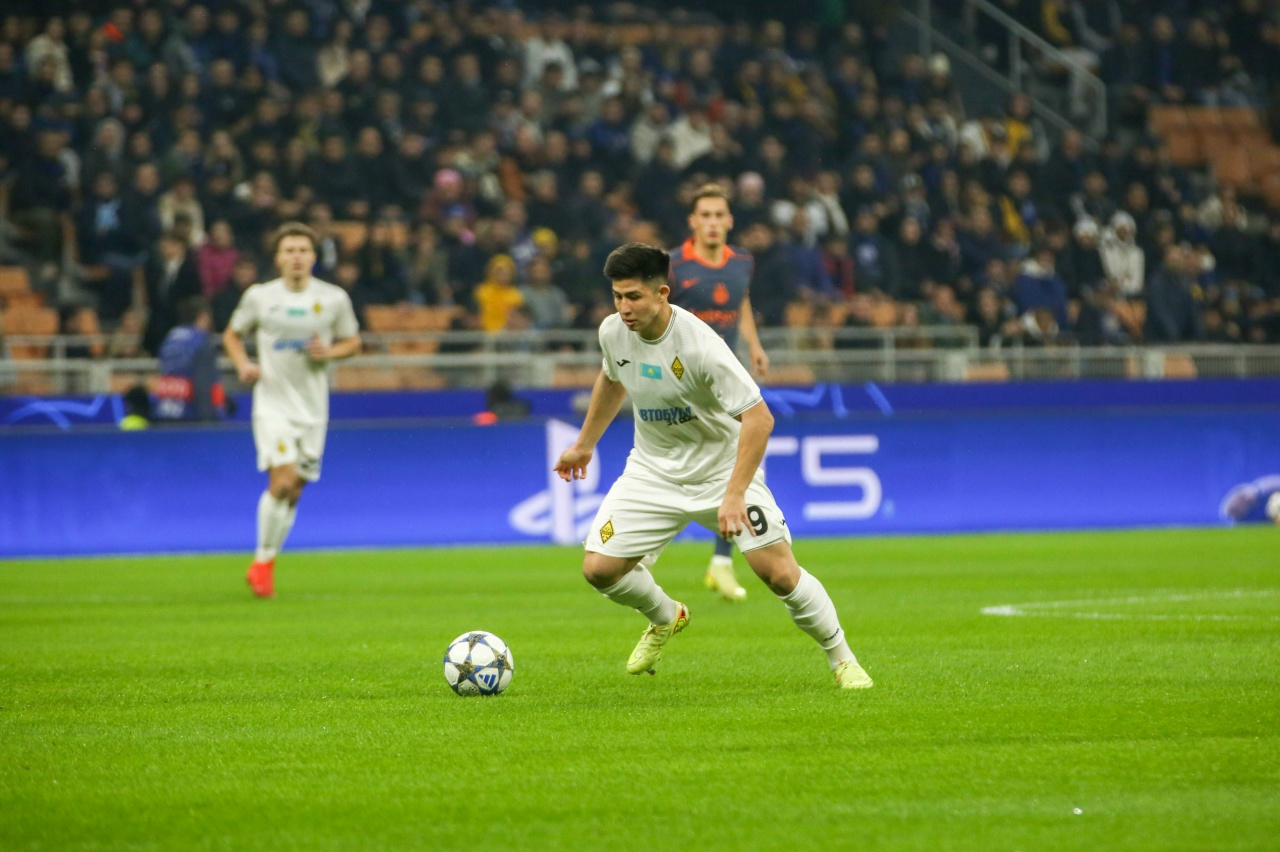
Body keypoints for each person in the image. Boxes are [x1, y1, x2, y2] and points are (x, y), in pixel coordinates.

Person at [554, 243, 873, 690]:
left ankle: (843, 660)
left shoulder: (701, 345)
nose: (624, 308)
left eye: (634, 297)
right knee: (599, 569)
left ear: (662, 293)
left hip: (722, 471)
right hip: (652, 471)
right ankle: (666, 616)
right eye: (618, 297)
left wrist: (735, 493)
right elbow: (611, 379)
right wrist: (584, 445)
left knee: (779, 574)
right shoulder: (613, 332)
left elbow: (759, 419)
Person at [222, 222, 361, 598]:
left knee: (295, 490)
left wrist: (329, 352)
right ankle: (262, 563)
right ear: (278, 258)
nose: (296, 256)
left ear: (314, 257)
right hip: (273, 404)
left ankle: (266, 560)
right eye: (290, 250)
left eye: (303, 250)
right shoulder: (260, 297)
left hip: (313, 408)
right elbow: (232, 334)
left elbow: (353, 342)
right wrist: (243, 364)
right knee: (282, 482)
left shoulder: (333, 298)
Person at [666, 183, 770, 603]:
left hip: (725, 380)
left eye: (718, 215)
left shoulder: (742, 261)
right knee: (679, 468)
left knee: (742, 467)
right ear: (693, 222)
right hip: (681, 383)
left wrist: (754, 344)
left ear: (729, 220)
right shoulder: (672, 265)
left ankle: (721, 562)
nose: (712, 222)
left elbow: (741, 301)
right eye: (704, 215)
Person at [153, 297, 227, 423]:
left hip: (165, 411)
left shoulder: (170, 338)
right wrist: (208, 419)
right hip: (191, 414)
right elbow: (203, 383)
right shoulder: (201, 341)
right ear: (203, 316)